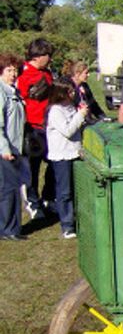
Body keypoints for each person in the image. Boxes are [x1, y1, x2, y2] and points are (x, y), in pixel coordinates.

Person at [16, 37, 54, 219]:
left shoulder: (47, 73)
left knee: (53, 162)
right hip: (33, 127)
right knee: (33, 167)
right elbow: (19, 100)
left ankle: (48, 197)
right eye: (48, 55)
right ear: (38, 56)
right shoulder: (23, 75)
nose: (50, 59)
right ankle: (32, 202)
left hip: (49, 126)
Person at [46, 79, 88, 238]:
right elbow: (68, 130)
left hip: (75, 153)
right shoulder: (55, 111)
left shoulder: (69, 107)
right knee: (64, 191)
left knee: (76, 188)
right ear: (61, 93)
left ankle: (78, 219)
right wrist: (80, 115)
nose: (73, 94)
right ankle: (67, 225)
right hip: (62, 156)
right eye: (70, 91)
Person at [0, 53, 26, 240]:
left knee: (14, 188)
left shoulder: (13, 91)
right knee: (7, 190)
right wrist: (5, 149)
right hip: (5, 151)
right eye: (9, 70)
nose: (13, 74)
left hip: (16, 148)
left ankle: (13, 228)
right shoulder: (2, 93)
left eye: (15, 70)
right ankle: (7, 229)